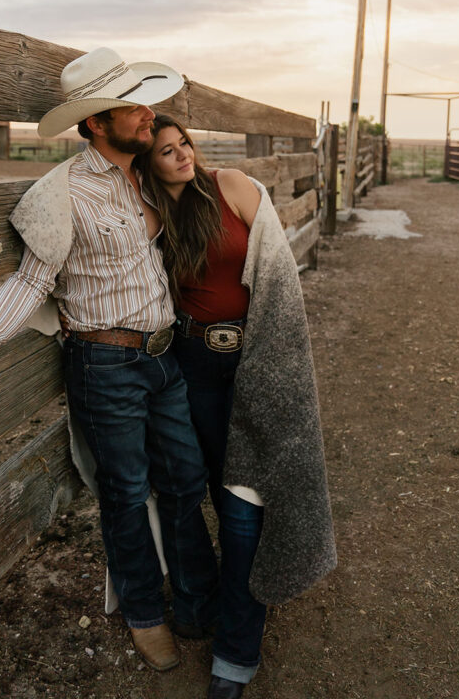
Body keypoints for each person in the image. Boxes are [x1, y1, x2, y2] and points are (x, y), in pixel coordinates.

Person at [0, 48, 219, 673]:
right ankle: (143, 614)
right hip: (105, 364)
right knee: (126, 492)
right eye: (129, 106)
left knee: (187, 480)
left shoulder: (149, 176)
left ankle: (198, 603)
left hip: (165, 358)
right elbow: (30, 281)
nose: (147, 112)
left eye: (143, 99)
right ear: (95, 124)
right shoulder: (64, 193)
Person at [136, 115, 337, 699]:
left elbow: (276, 275)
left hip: (256, 360)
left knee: (246, 502)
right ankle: (211, 596)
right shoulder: (152, 216)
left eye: (184, 145)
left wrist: (270, 359)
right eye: (167, 152)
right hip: (191, 365)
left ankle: (236, 651)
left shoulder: (235, 187)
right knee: (194, 490)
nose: (181, 157)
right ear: (149, 164)